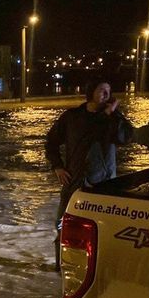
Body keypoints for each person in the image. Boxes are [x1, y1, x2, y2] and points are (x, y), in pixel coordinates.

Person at [45, 79, 133, 271]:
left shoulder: (114, 118)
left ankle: (97, 268)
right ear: (91, 91)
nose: (106, 94)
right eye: (102, 90)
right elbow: (51, 142)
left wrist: (114, 115)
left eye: (109, 91)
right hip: (74, 180)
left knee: (102, 229)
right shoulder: (72, 117)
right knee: (62, 224)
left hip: (103, 184)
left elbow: (125, 137)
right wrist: (58, 166)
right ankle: (61, 268)